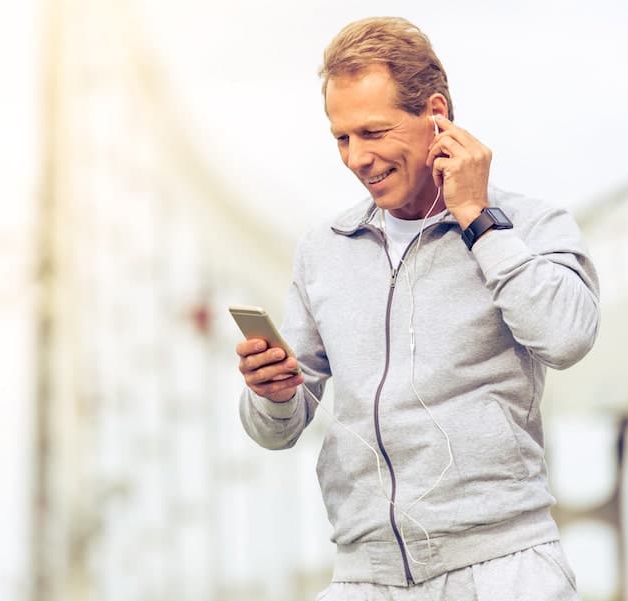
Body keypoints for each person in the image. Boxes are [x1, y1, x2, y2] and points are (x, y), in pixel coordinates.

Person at [235, 16, 600, 601]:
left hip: (503, 571)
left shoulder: (531, 225)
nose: (357, 158)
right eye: (341, 137)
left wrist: (479, 220)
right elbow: (277, 431)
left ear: (437, 115)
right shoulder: (324, 250)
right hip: (363, 575)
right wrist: (273, 395)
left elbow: (567, 337)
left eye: (374, 132)